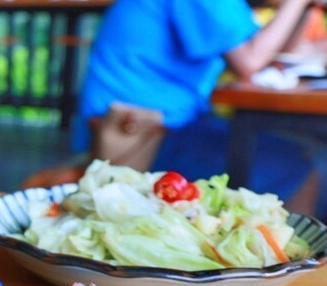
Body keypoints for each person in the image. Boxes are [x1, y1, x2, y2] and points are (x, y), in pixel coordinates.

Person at [66, 0, 325, 217]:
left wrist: (304, 7)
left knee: (294, 156)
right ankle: (297, 272)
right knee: (299, 166)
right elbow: (250, 61)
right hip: (138, 138)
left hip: (161, 125)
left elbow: (274, 57)